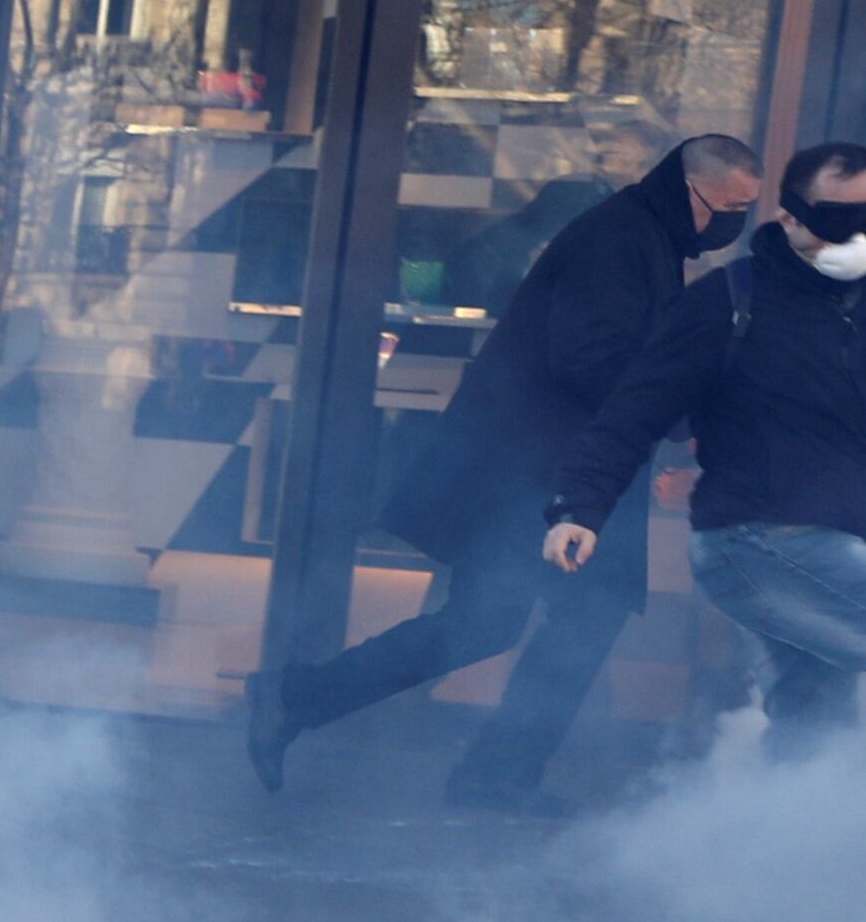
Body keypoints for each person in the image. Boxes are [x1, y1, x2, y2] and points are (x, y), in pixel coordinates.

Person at [252, 134, 764, 814]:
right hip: (541, 474)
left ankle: (314, 704)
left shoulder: (642, 236)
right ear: (687, 187)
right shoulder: (623, 240)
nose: (732, 225)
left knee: (507, 621)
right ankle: (474, 768)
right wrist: (673, 413)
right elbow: (590, 360)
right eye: (728, 207)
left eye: (746, 210)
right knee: (549, 618)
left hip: (546, 469)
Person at [547, 140, 866, 756]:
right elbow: (634, 407)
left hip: (844, 534)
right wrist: (581, 505)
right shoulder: (729, 302)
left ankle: (775, 839)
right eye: (839, 218)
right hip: (756, 540)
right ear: (791, 217)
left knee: (813, 707)